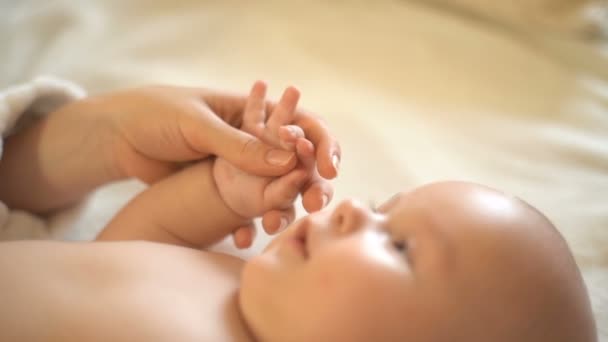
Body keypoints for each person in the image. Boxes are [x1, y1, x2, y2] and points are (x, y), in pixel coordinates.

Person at [0, 80, 597, 341]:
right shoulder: (229, 286)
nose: (352, 212)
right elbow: (129, 248)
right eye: (382, 207)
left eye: (399, 246)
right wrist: (223, 191)